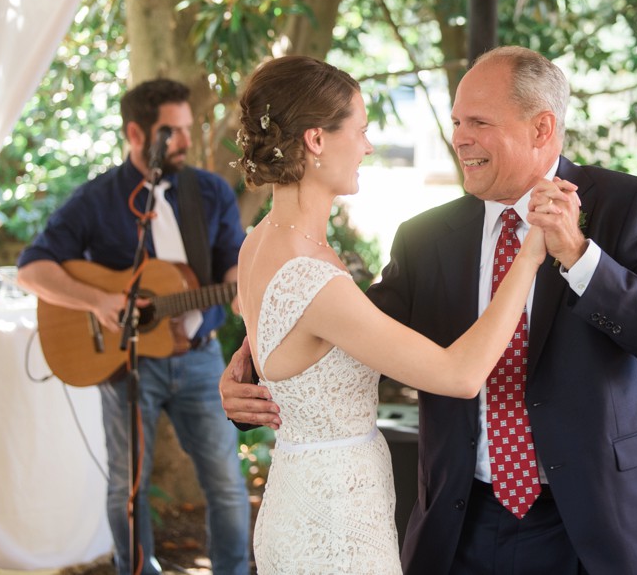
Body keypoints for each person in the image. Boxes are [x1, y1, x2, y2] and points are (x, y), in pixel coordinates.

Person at [222, 46, 637, 574]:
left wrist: (577, 255)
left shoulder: (627, 204)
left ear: (541, 128)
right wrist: (248, 368)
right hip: (466, 526)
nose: (459, 137)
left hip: (607, 525)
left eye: (478, 122)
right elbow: (340, 326)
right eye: (457, 121)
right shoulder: (425, 237)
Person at [230, 54, 559, 573]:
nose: (367, 146)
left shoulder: (260, 244)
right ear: (316, 141)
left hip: (304, 493)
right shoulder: (310, 275)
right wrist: (531, 253)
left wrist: (242, 366)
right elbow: (459, 373)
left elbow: (280, 340)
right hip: (335, 520)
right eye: (359, 131)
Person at [16, 79, 251, 575]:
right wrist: (100, 300)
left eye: (188, 129)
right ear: (136, 134)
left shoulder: (209, 192)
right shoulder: (98, 198)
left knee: (227, 483)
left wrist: (246, 290)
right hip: (124, 364)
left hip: (200, 358)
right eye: (172, 131)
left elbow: (233, 267)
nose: (186, 141)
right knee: (128, 487)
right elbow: (31, 268)